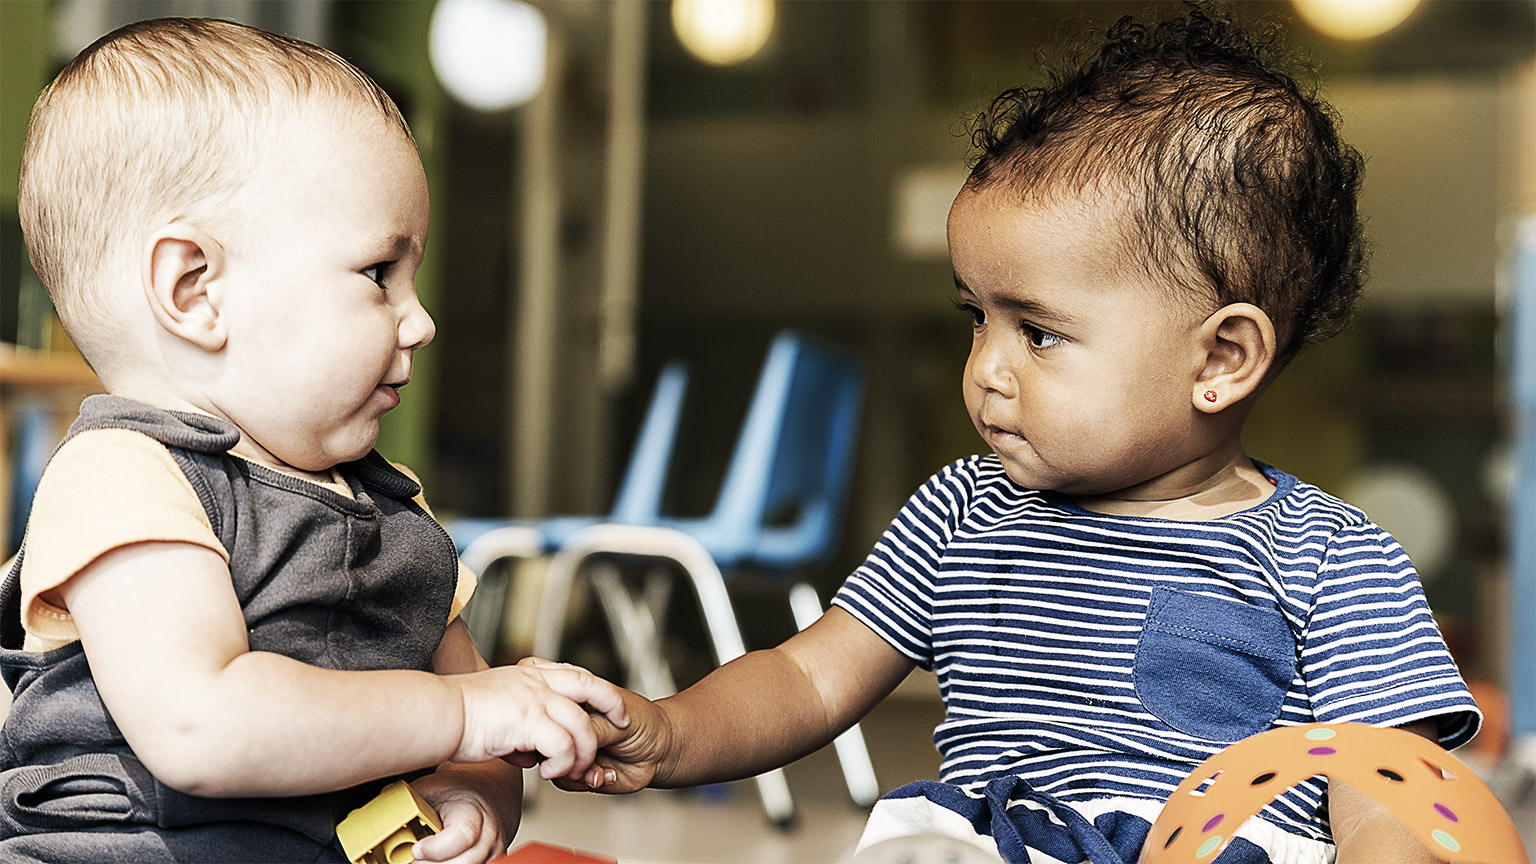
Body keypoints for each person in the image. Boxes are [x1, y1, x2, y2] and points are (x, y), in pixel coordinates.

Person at [566, 7, 1481, 864]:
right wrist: (674, 730)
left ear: (1222, 359)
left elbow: (1381, 782)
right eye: (976, 318)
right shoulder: (962, 510)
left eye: (1037, 332)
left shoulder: (1334, 559)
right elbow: (807, 681)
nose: (987, 369)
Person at [0, 17, 626, 864]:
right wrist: (469, 715)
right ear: (194, 290)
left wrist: (471, 793)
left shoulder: (393, 509)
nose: (423, 319)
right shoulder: (124, 478)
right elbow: (203, 724)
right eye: (379, 275)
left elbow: (472, 726)